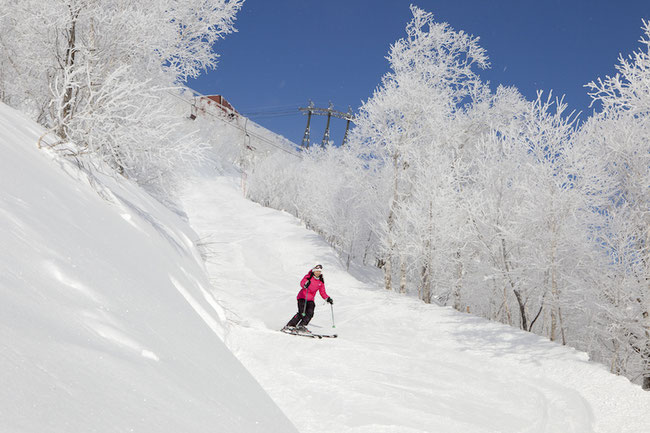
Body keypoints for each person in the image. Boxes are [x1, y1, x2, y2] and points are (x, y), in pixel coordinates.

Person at [283, 264, 333, 332]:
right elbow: (302, 283)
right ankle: (290, 326)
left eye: (319, 271)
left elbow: (322, 292)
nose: (318, 273)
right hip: (303, 297)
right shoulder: (308, 277)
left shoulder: (320, 281)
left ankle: (301, 326)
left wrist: (327, 298)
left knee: (310, 313)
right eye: (317, 271)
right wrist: (305, 284)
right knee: (301, 313)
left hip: (311, 299)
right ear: (313, 271)